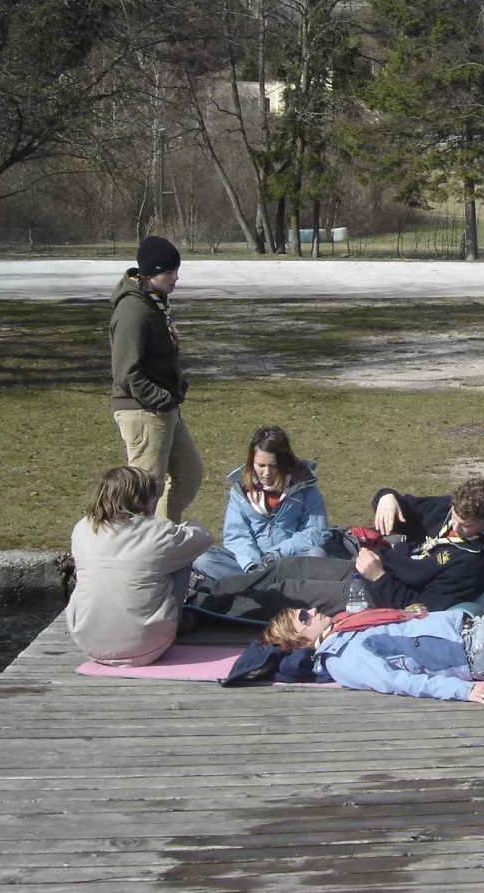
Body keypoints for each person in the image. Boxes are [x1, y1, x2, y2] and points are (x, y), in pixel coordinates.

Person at [258, 554, 484, 702]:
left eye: (304, 609)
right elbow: (396, 682)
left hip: (474, 633)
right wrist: (462, 692)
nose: (311, 611)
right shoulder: (341, 657)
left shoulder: (343, 629)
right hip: (478, 655)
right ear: (299, 642)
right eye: (302, 619)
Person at [66, 466, 214, 666]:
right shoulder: (158, 531)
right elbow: (203, 539)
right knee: (183, 558)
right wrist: (189, 525)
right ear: (141, 500)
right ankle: (175, 621)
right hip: (148, 646)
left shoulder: (82, 529)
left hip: (88, 643)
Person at [109, 235, 204, 521]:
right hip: (143, 411)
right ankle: (134, 548)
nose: (176, 277)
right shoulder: (133, 311)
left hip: (165, 409)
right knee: (145, 491)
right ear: (151, 273)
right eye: (170, 271)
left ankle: (162, 537)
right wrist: (161, 399)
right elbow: (126, 372)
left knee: (190, 473)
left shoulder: (155, 302)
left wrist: (177, 386)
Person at [193, 426, 332, 581]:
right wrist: (252, 565)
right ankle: (258, 583)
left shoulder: (305, 487)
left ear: (285, 463)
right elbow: (236, 534)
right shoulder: (239, 489)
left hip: (291, 561)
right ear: (252, 462)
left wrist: (277, 553)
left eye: (273, 466)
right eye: (261, 465)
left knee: (316, 555)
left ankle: (263, 586)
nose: (266, 473)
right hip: (250, 567)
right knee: (202, 558)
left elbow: (316, 531)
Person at [356, 477, 484, 611]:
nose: (455, 527)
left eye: (466, 525)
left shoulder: (473, 564)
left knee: (332, 595)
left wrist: (379, 578)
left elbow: (422, 608)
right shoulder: (446, 508)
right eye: (454, 517)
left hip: (380, 595)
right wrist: (387, 496)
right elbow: (405, 513)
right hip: (375, 563)